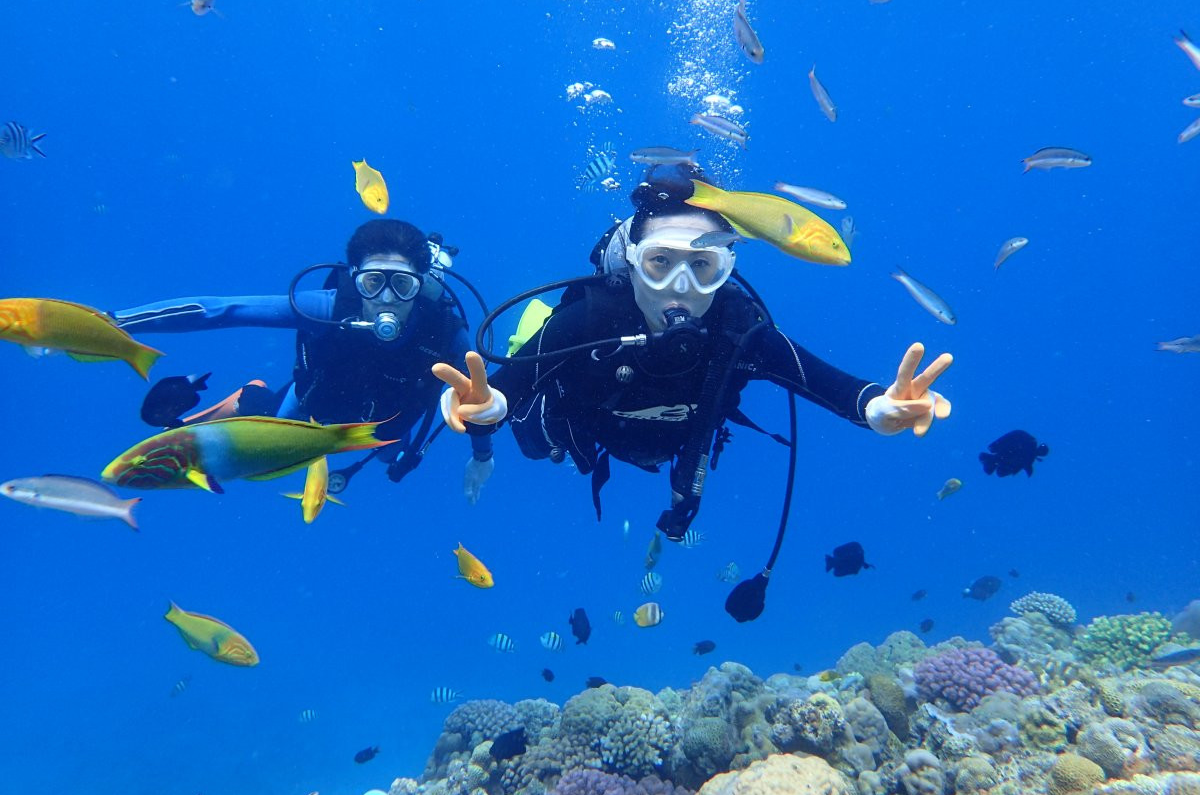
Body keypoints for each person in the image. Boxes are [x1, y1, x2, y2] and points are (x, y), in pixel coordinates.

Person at [432, 165, 952, 533]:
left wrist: (882, 409)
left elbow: (830, 385)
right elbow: (498, 396)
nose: (680, 286)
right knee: (537, 441)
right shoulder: (591, 320)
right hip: (579, 425)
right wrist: (487, 406)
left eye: (703, 266)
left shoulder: (737, 327)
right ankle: (533, 328)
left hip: (677, 444)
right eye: (661, 263)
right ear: (632, 261)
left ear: (726, 270)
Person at [110, 219, 494, 497]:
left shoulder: (443, 330)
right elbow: (222, 310)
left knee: (388, 455)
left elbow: (481, 398)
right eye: (374, 283)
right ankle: (249, 396)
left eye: (403, 284)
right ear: (355, 277)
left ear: (420, 283)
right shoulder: (324, 308)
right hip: (310, 403)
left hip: (386, 427)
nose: (387, 299)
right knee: (269, 447)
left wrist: (482, 455)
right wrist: (112, 325)